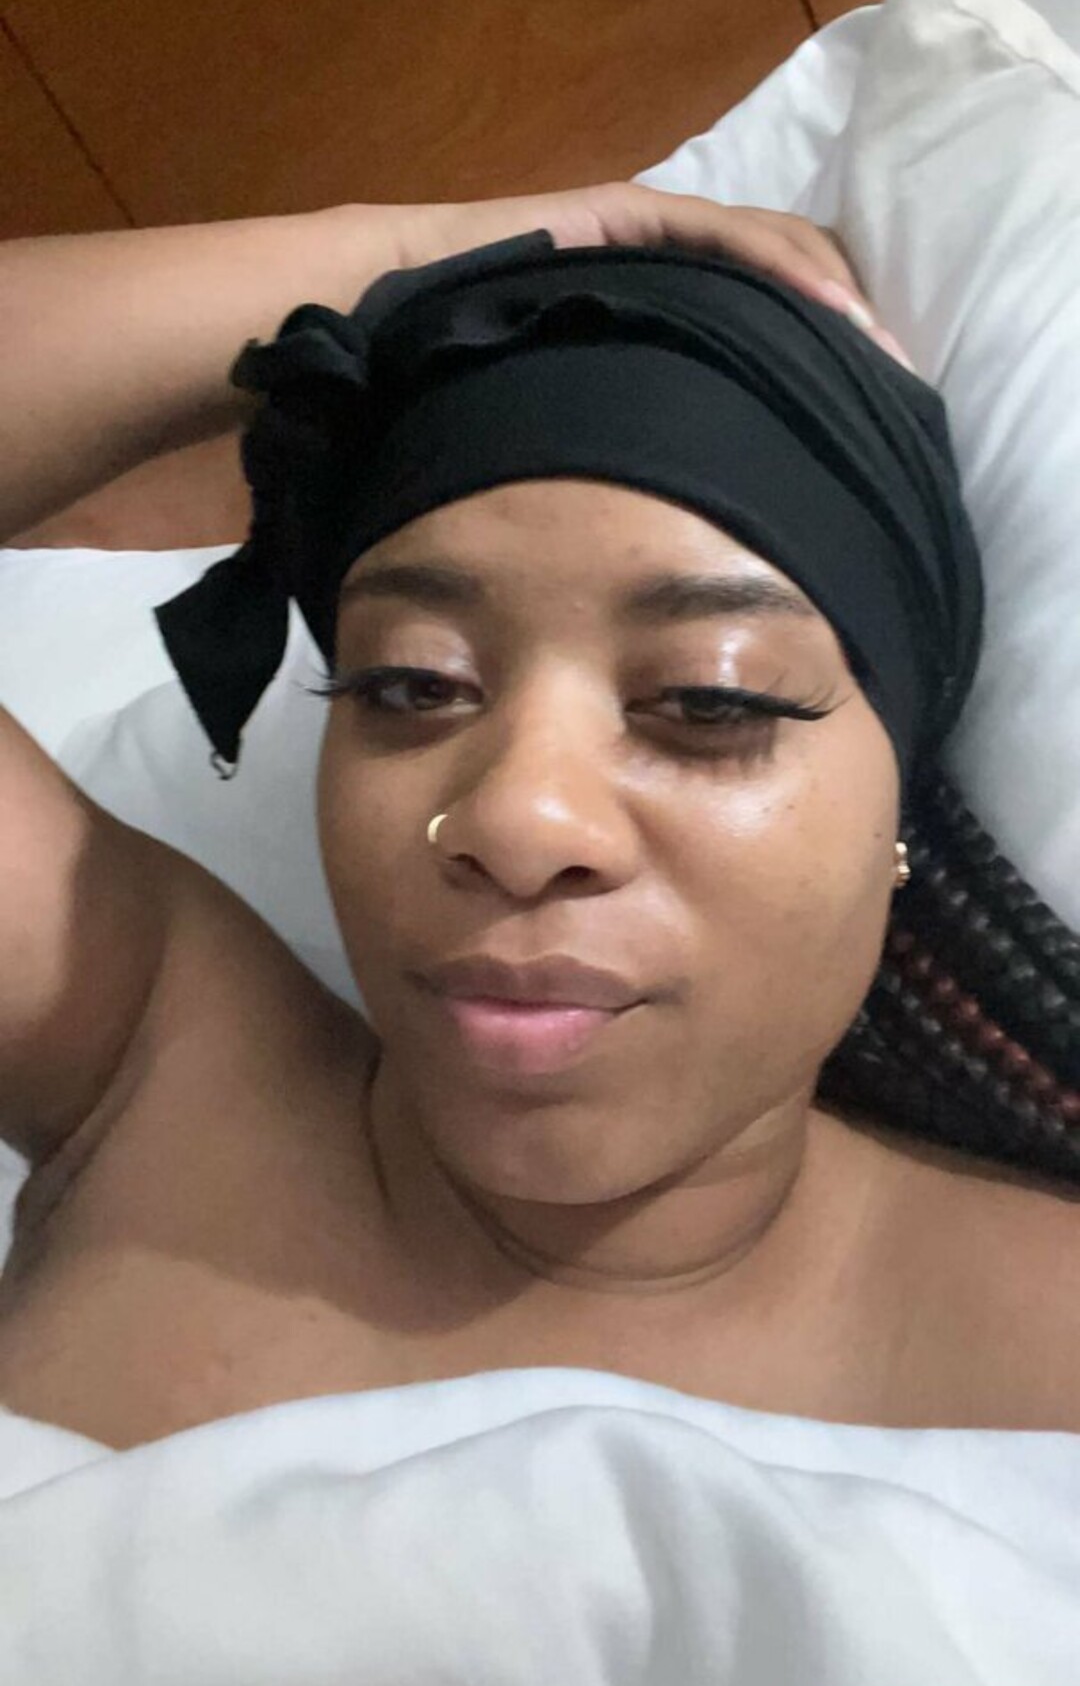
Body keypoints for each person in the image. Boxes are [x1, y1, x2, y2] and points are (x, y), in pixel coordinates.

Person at [0, 183, 1077, 1456]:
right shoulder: (153, 1076)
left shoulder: (1045, 1354)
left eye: (709, 698)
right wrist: (413, 260)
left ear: (897, 805)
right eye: (412, 684)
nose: (517, 819)